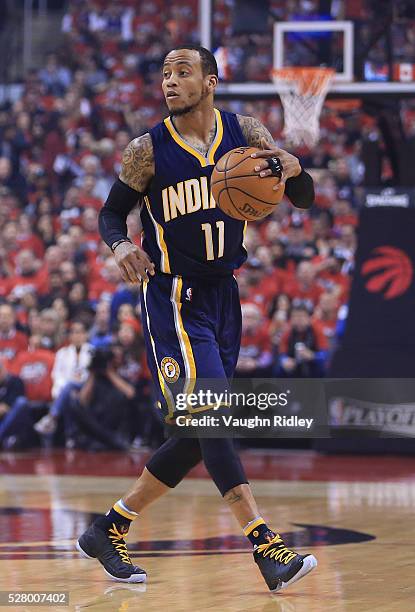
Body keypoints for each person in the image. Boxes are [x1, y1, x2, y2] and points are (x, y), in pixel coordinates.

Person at [77, 46, 317, 592]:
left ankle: (108, 528)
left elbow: (300, 197)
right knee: (212, 421)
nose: (169, 81)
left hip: (223, 295)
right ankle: (266, 547)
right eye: (164, 73)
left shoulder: (247, 132)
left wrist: (296, 169)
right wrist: (118, 246)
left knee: (193, 436)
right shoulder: (148, 149)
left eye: (182, 72)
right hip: (173, 296)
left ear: (211, 81)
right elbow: (112, 212)